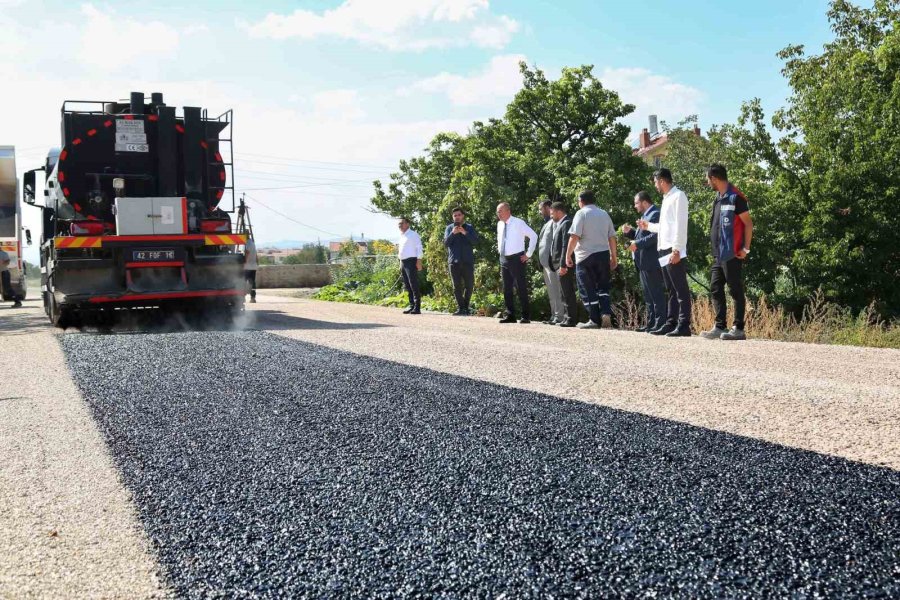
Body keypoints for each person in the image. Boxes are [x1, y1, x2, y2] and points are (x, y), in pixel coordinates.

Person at [701, 163, 754, 341]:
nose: (707, 182)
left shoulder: (735, 197)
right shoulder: (718, 197)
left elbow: (748, 223)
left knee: (735, 290)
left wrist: (746, 248)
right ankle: (719, 325)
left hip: (732, 252)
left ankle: (738, 328)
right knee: (715, 287)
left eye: (708, 179)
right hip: (718, 253)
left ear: (714, 179)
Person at [638, 168, 691, 336]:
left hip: (673, 249)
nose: (655, 186)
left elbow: (681, 225)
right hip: (664, 249)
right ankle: (671, 323)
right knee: (671, 290)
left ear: (662, 181)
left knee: (680, 289)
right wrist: (648, 226)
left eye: (655, 182)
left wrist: (677, 249)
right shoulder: (667, 198)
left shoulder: (678, 196)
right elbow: (666, 227)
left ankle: (684, 325)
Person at [565, 190, 618, 329]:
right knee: (603, 287)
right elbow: (612, 237)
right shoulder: (604, 214)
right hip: (603, 254)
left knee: (587, 289)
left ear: (581, 201)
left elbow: (574, 236)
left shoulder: (581, 213)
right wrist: (614, 256)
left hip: (585, 257)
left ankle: (594, 319)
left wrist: (568, 255)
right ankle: (605, 312)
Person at [623, 191, 667, 332]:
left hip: (651, 260)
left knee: (656, 293)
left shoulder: (654, 213)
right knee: (648, 294)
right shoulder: (645, 215)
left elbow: (655, 236)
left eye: (636, 203)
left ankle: (660, 323)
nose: (635, 206)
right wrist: (631, 232)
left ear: (644, 202)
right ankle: (651, 322)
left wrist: (637, 244)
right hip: (643, 262)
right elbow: (643, 234)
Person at [495, 202, 537, 324]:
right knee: (506, 288)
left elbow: (534, 236)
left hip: (517, 259)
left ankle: (525, 316)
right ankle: (510, 315)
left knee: (521, 287)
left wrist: (528, 254)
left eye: (500, 211)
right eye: (498, 211)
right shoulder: (499, 224)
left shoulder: (518, 222)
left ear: (508, 211)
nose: (498, 214)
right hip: (504, 258)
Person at [443, 207, 478, 316]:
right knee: (456, 286)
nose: (457, 217)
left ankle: (466, 308)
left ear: (463, 216)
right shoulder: (449, 228)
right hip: (454, 262)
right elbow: (445, 243)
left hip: (467, 261)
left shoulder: (469, 228)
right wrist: (453, 233)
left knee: (469, 285)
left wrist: (465, 233)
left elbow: (476, 241)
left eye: (459, 215)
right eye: (455, 215)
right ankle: (461, 308)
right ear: (453, 217)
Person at [550, 201, 578, 327]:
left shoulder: (566, 223)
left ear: (559, 212)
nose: (551, 216)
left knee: (567, 291)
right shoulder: (562, 224)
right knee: (563, 291)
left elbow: (565, 245)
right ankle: (567, 317)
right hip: (560, 264)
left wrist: (563, 264)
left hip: (565, 264)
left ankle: (571, 318)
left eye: (552, 213)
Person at [536, 199, 564, 325]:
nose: (540, 212)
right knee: (551, 291)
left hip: (552, 263)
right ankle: (554, 315)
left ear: (548, 208)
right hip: (545, 263)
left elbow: (555, 243)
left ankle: (560, 316)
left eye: (541, 209)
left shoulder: (555, 222)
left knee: (557, 290)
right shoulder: (546, 223)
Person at [397, 217, 423, 314]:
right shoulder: (402, 236)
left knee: (413, 284)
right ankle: (412, 305)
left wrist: (419, 260)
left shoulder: (413, 234)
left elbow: (419, 247)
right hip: (403, 262)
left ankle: (417, 307)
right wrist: (400, 262)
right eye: (399, 224)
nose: (400, 225)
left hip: (411, 261)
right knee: (407, 285)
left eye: (402, 223)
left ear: (408, 224)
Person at [244, 237, 258, 304]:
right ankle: (253, 298)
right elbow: (256, 255)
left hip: (248, 267)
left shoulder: (248, 243)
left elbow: (247, 253)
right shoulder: (252, 243)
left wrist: (244, 263)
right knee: (252, 282)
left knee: (243, 281)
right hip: (253, 266)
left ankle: (242, 298)